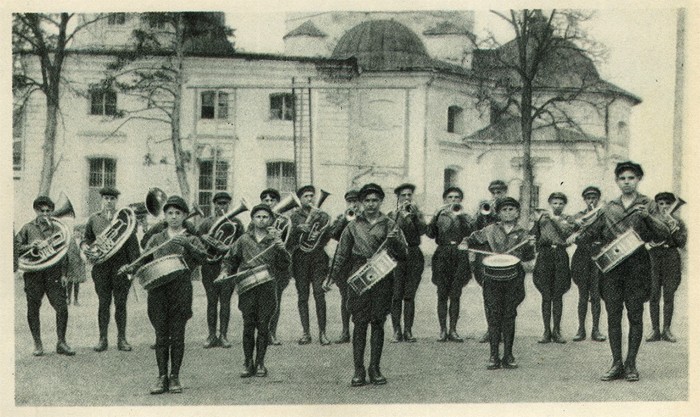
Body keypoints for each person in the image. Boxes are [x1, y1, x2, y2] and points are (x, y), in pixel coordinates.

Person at [568, 161, 670, 382]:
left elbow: (664, 233)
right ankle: (616, 363)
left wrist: (648, 217)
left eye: (631, 178)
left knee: (635, 314)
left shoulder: (648, 204)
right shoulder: (608, 207)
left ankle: (631, 363)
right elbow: (592, 231)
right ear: (617, 181)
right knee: (613, 314)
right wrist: (576, 235)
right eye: (622, 178)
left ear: (638, 180)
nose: (626, 182)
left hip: (638, 266)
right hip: (612, 267)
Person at [119, 196, 208, 394]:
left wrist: (188, 245)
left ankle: (174, 376)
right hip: (158, 291)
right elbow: (143, 261)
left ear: (185, 216)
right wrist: (130, 268)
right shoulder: (156, 238)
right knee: (160, 335)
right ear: (165, 216)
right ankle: (161, 377)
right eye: (170, 213)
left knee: (177, 335)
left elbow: (204, 258)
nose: (174, 217)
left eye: (178, 213)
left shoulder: (191, 238)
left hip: (181, 290)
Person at [327, 183, 407, 386]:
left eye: (375, 200)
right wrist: (330, 277)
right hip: (359, 275)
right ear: (361, 203)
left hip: (382, 277)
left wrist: (396, 241)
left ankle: (375, 367)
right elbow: (341, 254)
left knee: (378, 323)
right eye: (367, 201)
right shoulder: (352, 226)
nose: (371, 204)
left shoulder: (390, 224)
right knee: (360, 323)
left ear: (380, 202)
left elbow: (403, 254)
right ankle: (358, 370)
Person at [219, 204, 291, 378]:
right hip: (247, 287)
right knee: (248, 325)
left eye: (265, 217)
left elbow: (284, 265)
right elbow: (230, 259)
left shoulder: (275, 240)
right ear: (252, 219)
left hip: (267, 286)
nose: (261, 220)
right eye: (258, 216)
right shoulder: (243, 239)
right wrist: (224, 271)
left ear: (271, 220)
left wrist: (281, 249)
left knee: (263, 325)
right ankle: (247, 362)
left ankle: (260, 362)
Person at [464, 197, 536, 370]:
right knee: (494, 315)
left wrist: (529, 251)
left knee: (509, 315)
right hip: (492, 278)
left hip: (514, 278)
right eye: (504, 210)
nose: (508, 212)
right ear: (498, 213)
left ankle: (509, 355)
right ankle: (493, 356)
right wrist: (465, 243)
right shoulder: (489, 230)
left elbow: (529, 258)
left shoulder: (524, 233)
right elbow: (471, 239)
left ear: (517, 212)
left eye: (512, 209)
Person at [14, 196, 75, 356]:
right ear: (36, 211)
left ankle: (61, 342)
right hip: (34, 274)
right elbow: (15, 247)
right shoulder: (27, 228)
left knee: (62, 308)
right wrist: (31, 246)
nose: (46, 214)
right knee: (33, 309)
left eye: (48, 211)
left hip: (54, 274)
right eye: (42, 211)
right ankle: (38, 343)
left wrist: (64, 274)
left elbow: (63, 253)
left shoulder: (56, 228)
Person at [82, 187, 140, 352]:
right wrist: (87, 246)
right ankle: (103, 339)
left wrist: (132, 266)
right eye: (106, 198)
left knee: (121, 304)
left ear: (116, 201)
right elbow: (86, 239)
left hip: (120, 267)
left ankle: (122, 339)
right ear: (102, 200)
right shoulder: (94, 219)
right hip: (101, 268)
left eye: (112, 199)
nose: (109, 201)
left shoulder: (125, 218)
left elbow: (132, 244)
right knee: (103, 303)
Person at [426, 186, 474, 342]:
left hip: (459, 254)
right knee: (441, 293)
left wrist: (462, 217)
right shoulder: (440, 215)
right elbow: (430, 233)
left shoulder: (465, 216)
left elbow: (472, 233)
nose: (453, 200)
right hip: (443, 253)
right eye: (450, 198)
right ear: (445, 200)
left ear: (461, 200)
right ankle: (442, 330)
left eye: (456, 198)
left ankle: (453, 330)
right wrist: (436, 214)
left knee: (455, 293)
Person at [197, 192, 243, 349]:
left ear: (229, 205)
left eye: (224, 203)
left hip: (228, 267)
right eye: (218, 203)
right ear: (214, 204)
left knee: (225, 302)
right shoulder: (205, 223)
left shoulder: (236, 223)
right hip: (209, 266)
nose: (221, 206)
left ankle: (223, 335)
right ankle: (211, 335)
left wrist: (227, 247)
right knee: (211, 301)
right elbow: (197, 244)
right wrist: (204, 240)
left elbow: (241, 245)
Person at [287, 185, 332, 345]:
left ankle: (323, 333)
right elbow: (288, 240)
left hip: (318, 258)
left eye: (312, 196)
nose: (310, 199)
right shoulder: (293, 217)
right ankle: (306, 333)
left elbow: (328, 235)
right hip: (300, 258)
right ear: (300, 199)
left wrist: (317, 236)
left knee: (319, 294)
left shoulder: (322, 215)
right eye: (306, 196)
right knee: (302, 296)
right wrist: (298, 230)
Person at [531, 192, 575, 344]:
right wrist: (536, 223)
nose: (557, 206)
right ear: (550, 203)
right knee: (545, 294)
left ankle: (556, 330)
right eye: (554, 203)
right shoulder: (542, 218)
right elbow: (534, 236)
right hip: (545, 254)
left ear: (564, 205)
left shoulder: (568, 219)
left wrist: (554, 220)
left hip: (560, 254)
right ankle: (546, 331)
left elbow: (566, 234)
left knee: (558, 294)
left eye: (560, 203)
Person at [387, 183, 426, 343]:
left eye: (410, 195)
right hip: (396, 256)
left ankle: (408, 330)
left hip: (414, 254)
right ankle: (397, 330)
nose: (407, 198)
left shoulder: (417, 214)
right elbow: (387, 235)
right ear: (398, 198)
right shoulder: (392, 214)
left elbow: (424, 231)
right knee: (396, 295)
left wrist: (415, 216)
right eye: (404, 195)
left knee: (409, 295)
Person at [646, 192, 687, 343]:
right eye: (661, 203)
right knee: (654, 294)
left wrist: (674, 230)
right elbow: (644, 236)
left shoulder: (678, 222)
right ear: (657, 205)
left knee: (669, 294)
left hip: (671, 257)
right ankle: (655, 330)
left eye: (667, 204)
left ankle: (667, 330)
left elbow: (682, 243)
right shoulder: (651, 220)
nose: (664, 207)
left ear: (671, 205)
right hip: (654, 257)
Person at [474, 180, 509, 344]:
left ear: (505, 192)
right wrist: (481, 214)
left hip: (502, 254)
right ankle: (491, 329)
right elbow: (475, 231)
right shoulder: (485, 208)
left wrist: (496, 213)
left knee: (504, 295)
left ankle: (503, 330)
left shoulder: (509, 208)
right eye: (494, 193)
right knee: (488, 295)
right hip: (485, 254)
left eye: (499, 192)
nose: (496, 196)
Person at [571, 186, 606, 342]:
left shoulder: (604, 215)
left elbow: (607, 234)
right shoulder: (579, 216)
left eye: (594, 198)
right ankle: (580, 329)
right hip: (582, 256)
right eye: (588, 198)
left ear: (598, 199)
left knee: (596, 295)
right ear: (584, 200)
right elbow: (572, 235)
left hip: (598, 255)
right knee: (582, 295)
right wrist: (579, 228)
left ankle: (596, 330)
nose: (591, 201)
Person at [259, 188, 292, 346]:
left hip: (278, 266)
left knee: (275, 301)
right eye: (265, 200)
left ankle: (272, 333)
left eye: (272, 200)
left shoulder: (284, 221)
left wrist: (278, 239)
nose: (269, 202)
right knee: (260, 302)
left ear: (277, 202)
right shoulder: (257, 220)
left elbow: (287, 243)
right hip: (261, 265)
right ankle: (262, 333)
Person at [327, 189, 360, 344]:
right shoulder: (342, 217)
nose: (353, 204)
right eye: (350, 201)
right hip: (345, 263)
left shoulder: (366, 219)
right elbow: (332, 234)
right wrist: (344, 221)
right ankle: (345, 331)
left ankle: (360, 331)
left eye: (355, 201)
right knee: (345, 297)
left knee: (361, 298)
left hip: (360, 262)